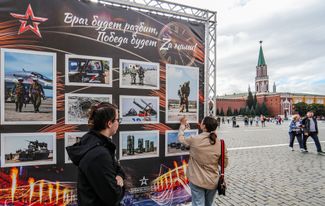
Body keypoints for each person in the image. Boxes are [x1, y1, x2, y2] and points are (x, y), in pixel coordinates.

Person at [66, 102, 125, 205]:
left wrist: (119, 176)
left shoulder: (95, 143)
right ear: (109, 123)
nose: (118, 123)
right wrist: (121, 185)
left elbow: (117, 169)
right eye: (117, 120)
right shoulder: (99, 155)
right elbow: (113, 197)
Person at [178, 116, 228, 206]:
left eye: (201, 122)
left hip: (197, 179)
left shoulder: (194, 140)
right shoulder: (221, 143)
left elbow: (181, 139)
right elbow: (224, 164)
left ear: (204, 126)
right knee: (209, 204)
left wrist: (182, 126)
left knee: (198, 203)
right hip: (213, 181)